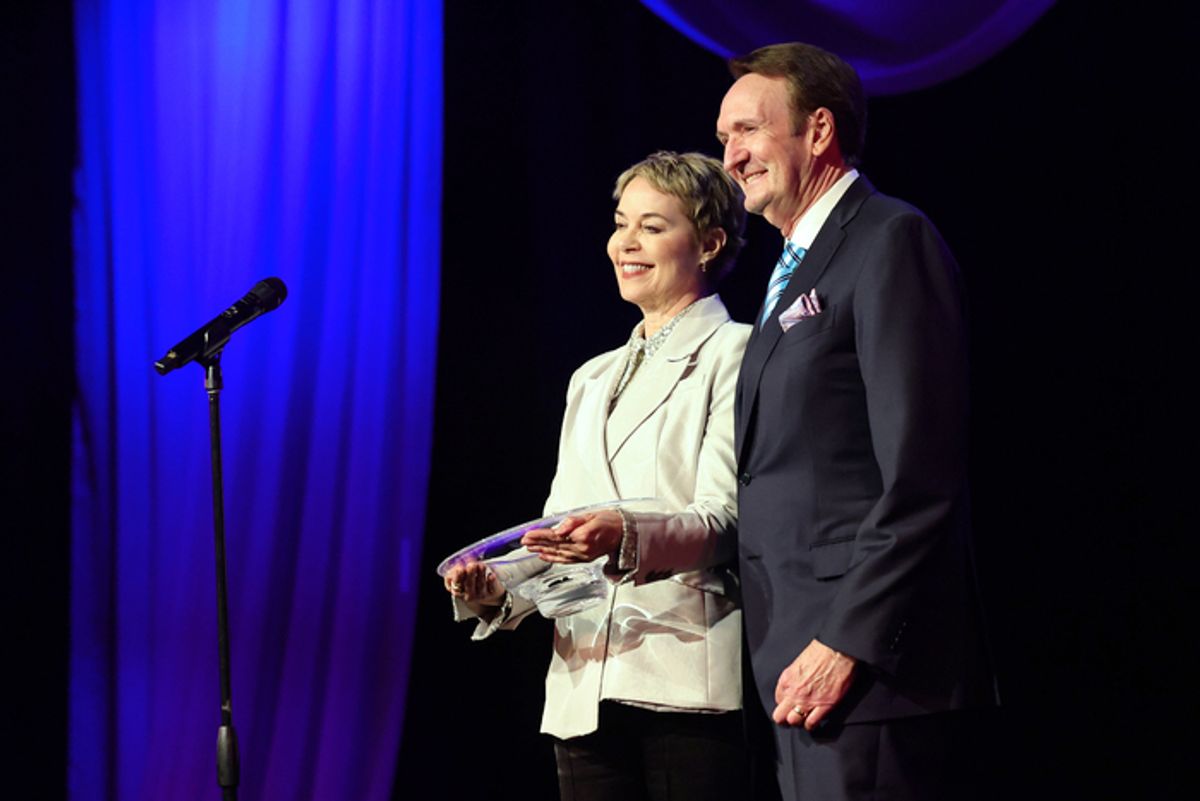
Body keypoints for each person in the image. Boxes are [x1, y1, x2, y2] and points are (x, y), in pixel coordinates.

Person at [715, 43, 997, 800]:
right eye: (724, 140)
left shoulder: (886, 241)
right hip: (792, 661)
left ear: (818, 131)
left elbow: (923, 474)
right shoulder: (792, 270)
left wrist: (849, 637)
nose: (732, 156)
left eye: (747, 131)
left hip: (867, 672)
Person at [443, 151, 751, 801]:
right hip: (584, 683)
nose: (626, 243)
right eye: (620, 223)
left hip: (684, 678)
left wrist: (622, 535)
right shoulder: (591, 377)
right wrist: (498, 587)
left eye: (652, 225)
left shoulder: (739, 353)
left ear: (709, 242)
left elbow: (726, 521)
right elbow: (557, 532)